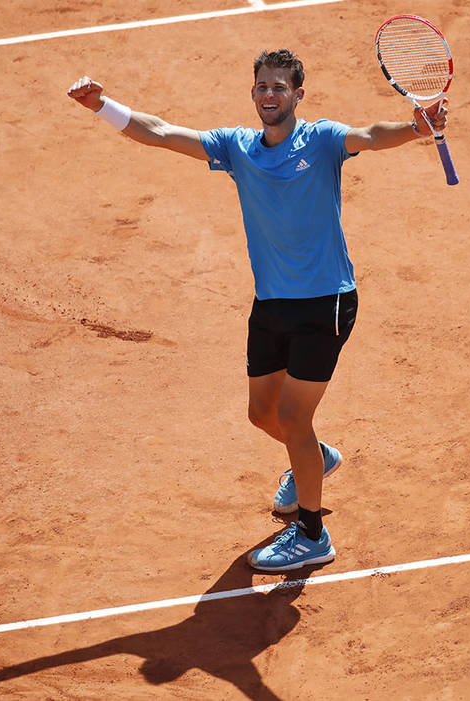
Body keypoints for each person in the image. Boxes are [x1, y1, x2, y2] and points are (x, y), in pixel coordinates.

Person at [67, 49, 449, 572]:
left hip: (326, 301)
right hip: (271, 303)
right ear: (253, 94)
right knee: (262, 415)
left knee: (293, 416)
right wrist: (100, 105)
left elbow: (371, 135)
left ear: (298, 95)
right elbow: (158, 132)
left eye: (279, 87)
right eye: (262, 87)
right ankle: (314, 456)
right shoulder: (237, 148)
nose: (270, 95)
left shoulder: (320, 140)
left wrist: (415, 128)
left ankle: (312, 534)